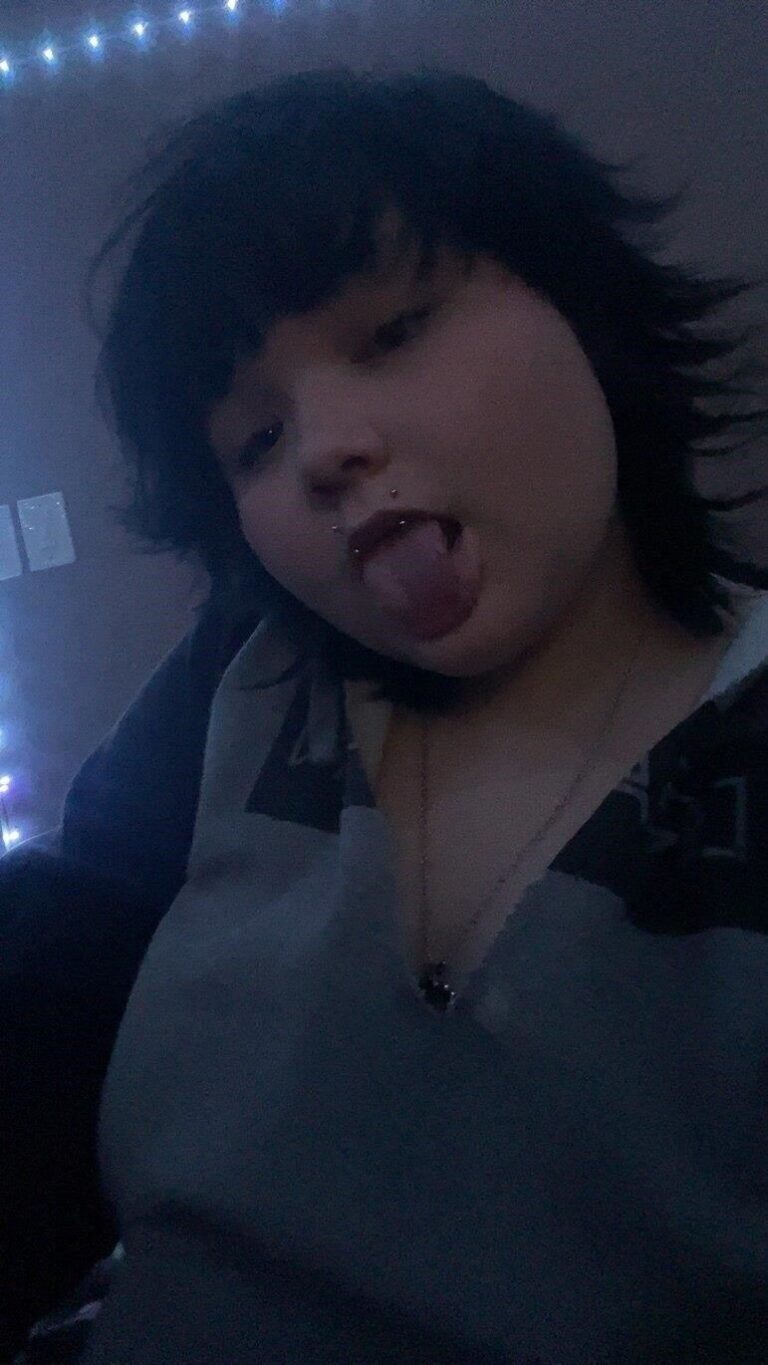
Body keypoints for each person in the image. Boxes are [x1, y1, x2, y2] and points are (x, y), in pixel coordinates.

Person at [3, 66, 768, 1362]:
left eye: (394, 331)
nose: (322, 450)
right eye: (254, 442)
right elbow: (58, 982)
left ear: (581, 304)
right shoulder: (247, 678)